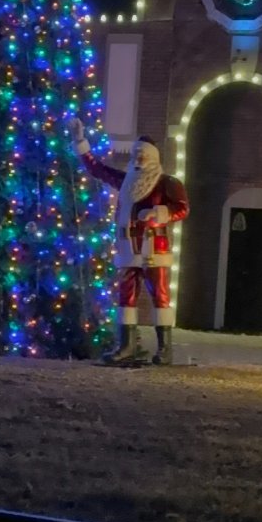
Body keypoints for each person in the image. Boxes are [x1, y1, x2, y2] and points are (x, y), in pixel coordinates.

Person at [68, 119, 188, 365]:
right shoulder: (126, 181)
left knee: (160, 297)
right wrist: (81, 141)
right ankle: (126, 346)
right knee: (126, 297)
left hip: (154, 247)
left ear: (153, 157)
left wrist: (159, 213)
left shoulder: (168, 183)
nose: (139, 158)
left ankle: (165, 348)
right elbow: (97, 169)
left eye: (144, 155)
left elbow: (182, 208)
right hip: (126, 248)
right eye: (136, 154)